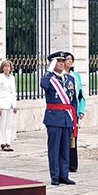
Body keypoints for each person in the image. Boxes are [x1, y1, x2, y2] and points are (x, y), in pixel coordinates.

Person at [40, 51, 77, 186]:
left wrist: (75, 119)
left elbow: (73, 100)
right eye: (58, 61)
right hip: (54, 118)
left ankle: (64, 175)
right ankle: (55, 176)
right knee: (54, 149)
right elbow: (43, 85)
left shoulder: (70, 79)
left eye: (62, 61)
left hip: (67, 118)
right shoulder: (49, 78)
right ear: (53, 63)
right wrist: (49, 70)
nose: (61, 64)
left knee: (65, 148)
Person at [63, 52, 86, 172]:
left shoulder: (76, 75)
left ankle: (72, 164)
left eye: (71, 59)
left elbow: (81, 94)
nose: (70, 61)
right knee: (64, 138)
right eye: (67, 59)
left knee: (73, 137)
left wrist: (81, 110)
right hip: (64, 111)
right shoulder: (60, 75)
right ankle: (64, 162)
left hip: (74, 111)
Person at [0, 60, 18, 151]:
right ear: (2, 68)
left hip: (10, 104)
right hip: (3, 103)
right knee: (2, 124)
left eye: (8, 66)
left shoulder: (12, 78)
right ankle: (2, 142)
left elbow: (13, 92)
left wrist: (15, 105)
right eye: (5, 66)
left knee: (9, 125)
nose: (7, 68)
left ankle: (8, 141)